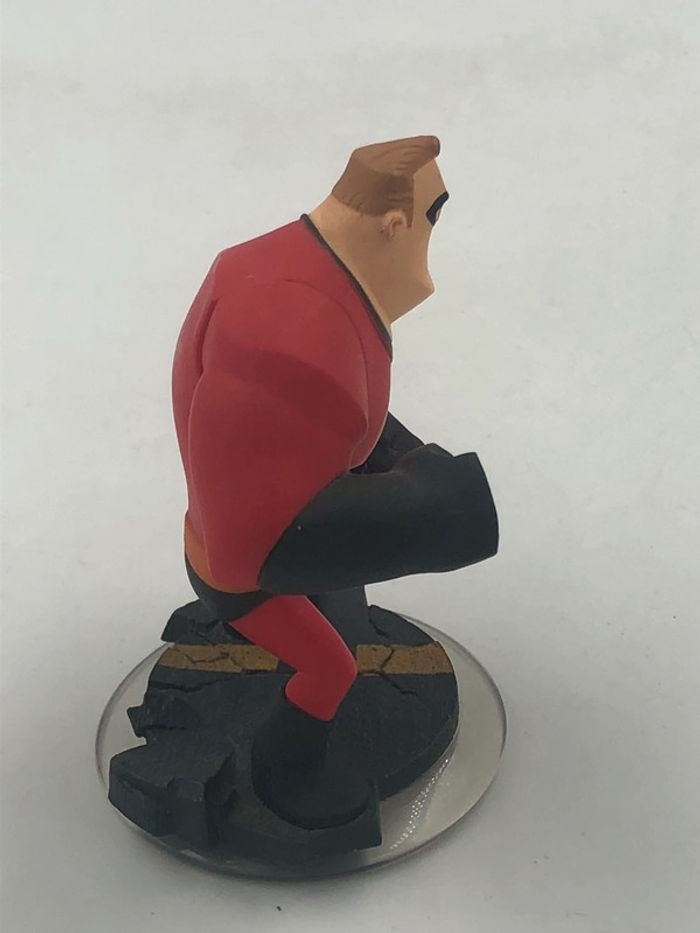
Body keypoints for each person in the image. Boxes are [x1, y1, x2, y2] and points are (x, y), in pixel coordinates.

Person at [171, 135, 499, 829]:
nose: (433, 234)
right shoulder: (291, 329)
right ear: (395, 224)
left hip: (232, 532)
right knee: (332, 669)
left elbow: (335, 429)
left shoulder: (276, 265)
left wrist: (408, 466)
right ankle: (288, 777)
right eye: (434, 214)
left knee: (417, 530)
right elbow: (251, 545)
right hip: (239, 572)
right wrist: (431, 511)